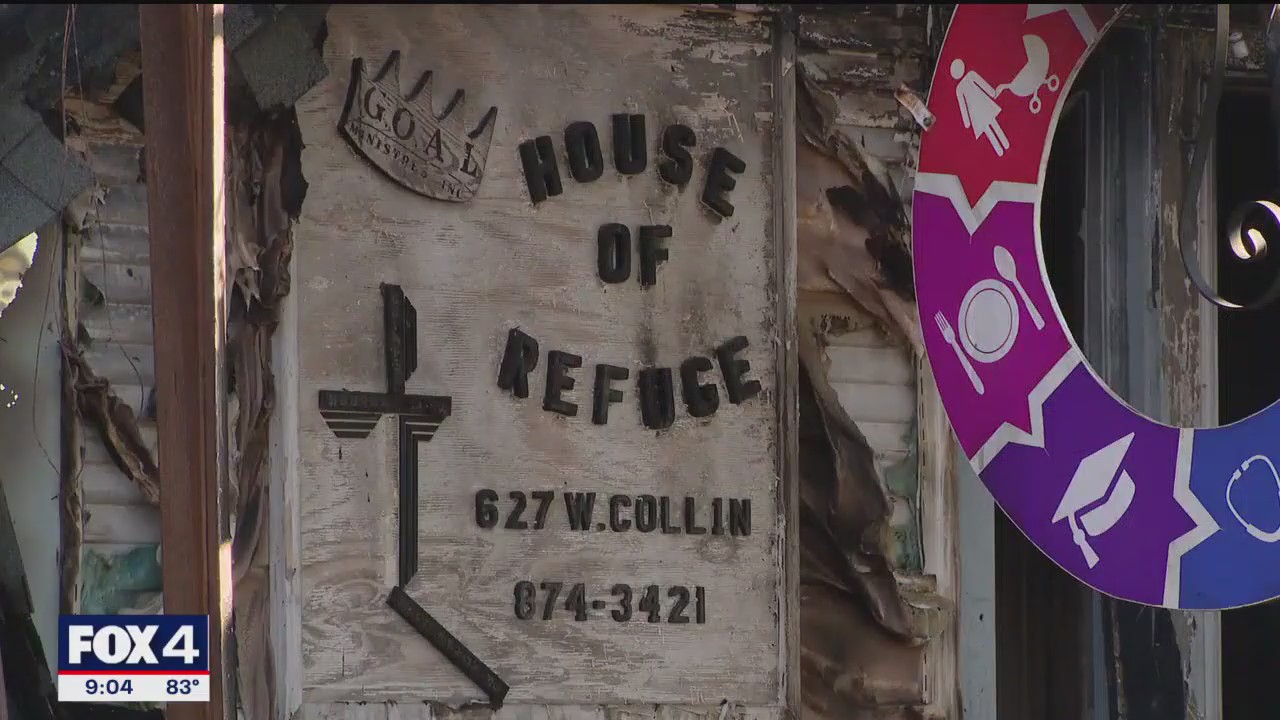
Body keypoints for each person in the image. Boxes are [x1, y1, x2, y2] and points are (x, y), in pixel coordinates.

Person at [952, 58, 1009, 157]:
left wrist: (967, 122)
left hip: (978, 107)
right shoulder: (963, 83)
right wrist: (992, 92)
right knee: (990, 125)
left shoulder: (964, 82)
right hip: (979, 106)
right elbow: (963, 105)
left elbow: (963, 105)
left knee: (990, 125)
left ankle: (1003, 145)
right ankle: (1002, 147)